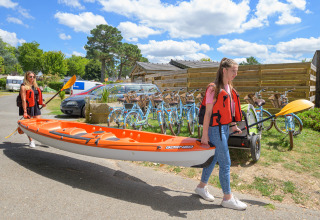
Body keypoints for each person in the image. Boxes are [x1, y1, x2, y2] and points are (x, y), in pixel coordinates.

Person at [195, 58, 247, 210]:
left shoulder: (229, 87)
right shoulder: (213, 88)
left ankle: (201, 186)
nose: (235, 74)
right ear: (224, 70)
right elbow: (208, 113)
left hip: (225, 128)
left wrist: (233, 125)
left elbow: (228, 111)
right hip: (214, 130)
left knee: (214, 159)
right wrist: (205, 135)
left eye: (237, 71)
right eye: (233, 71)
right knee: (226, 163)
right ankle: (227, 198)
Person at [19, 71, 46, 148]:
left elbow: (37, 97)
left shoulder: (35, 86)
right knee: (29, 126)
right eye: (30, 76)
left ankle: (41, 140)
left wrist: (42, 103)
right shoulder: (23, 86)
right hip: (28, 108)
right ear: (26, 77)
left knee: (38, 125)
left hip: (36, 107)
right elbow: (23, 100)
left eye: (33, 77)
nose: (32, 78)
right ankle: (31, 141)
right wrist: (25, 111)